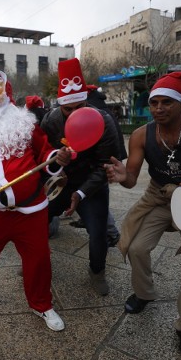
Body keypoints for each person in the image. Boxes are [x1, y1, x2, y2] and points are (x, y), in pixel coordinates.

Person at [105, 70, 181, 360]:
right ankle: (144, 293)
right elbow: (132, 178)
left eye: (166, 102)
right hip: (158, 197)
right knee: (135, 247)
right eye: (153, 103)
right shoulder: (140, 135)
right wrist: (122, 176)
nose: (158, 108)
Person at [0, 71, 71, 331]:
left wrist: (57, 158)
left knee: (38, 259)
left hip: (30, 211)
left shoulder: (27, 125)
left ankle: (42, 304)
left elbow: (45, 153)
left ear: (6, 95)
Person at [40, 58, 120, 296]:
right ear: (60, 106)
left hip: (92, 185)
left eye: (80, 107)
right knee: (36, 218)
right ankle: (35, 261)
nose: (75, 114)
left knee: (98, 231)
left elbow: (105, 165)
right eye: (68, 109)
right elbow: (41, 154)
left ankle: (97, 271)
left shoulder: (104, 121)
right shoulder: (51, 120)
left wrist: (81, 192)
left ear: (87, 100)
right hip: (61, 182)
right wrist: (55, 161)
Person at [69, 84, 127, 248]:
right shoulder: (99, 107)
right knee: (94, 202)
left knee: (99, 200)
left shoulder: (99, 115)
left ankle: (111, 233)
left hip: (103, 162)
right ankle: (98, 226)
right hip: (100, 161)